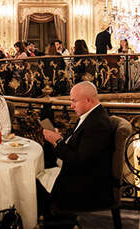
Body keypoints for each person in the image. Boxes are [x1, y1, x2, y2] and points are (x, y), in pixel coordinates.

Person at [41, 81, 116, 212]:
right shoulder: (91, 115)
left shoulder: (98, 124)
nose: (71, 106)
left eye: (74, 101)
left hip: (85, 187)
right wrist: (58, 139)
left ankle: (53, 217)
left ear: (88, 100)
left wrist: (57, 141)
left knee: (32, 184)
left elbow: (79, 161)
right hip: (77, 174)